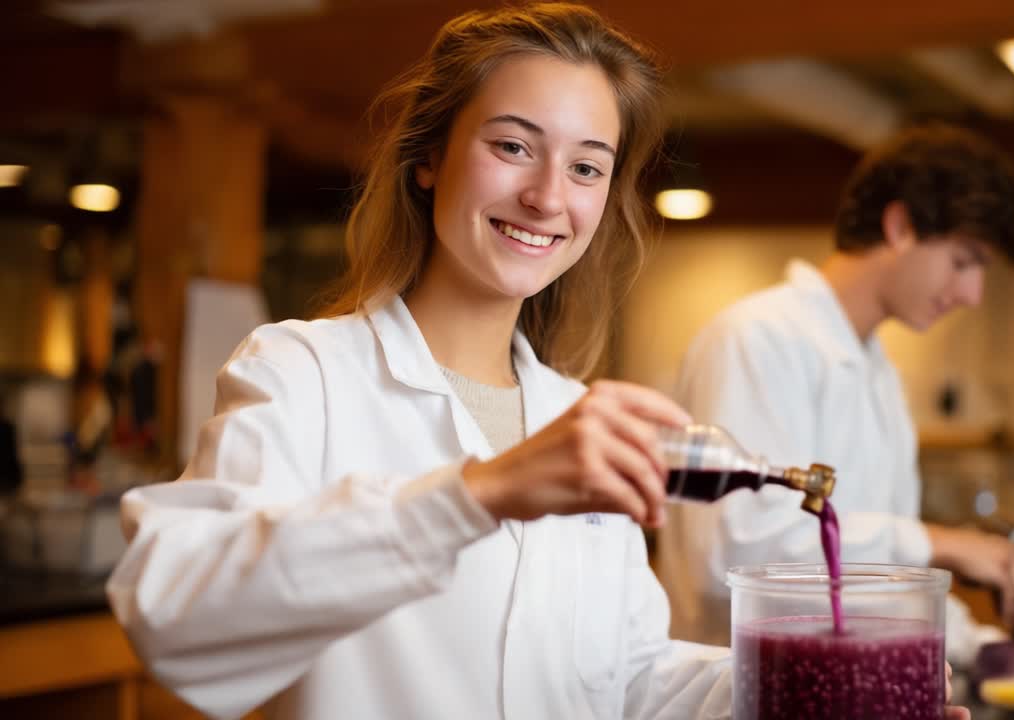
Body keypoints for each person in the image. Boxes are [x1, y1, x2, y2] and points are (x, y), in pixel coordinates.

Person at [106, 5, 969, 718]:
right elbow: (172, 614)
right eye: (513, 146)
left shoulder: (571, 412)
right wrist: (481, 493)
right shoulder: (303, 371)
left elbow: (623, 680)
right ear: (428, 157)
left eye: (587, 167)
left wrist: (819, 692)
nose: (548, 196)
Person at [657, 124, 1014, 665]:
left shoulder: (877, 371)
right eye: (963, 261)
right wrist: (936, 541)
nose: (972, 294)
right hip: (745, 690)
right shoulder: (757, 338)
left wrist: (979, 648)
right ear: (900, 226)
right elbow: (738, 554)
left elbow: (886, 589)